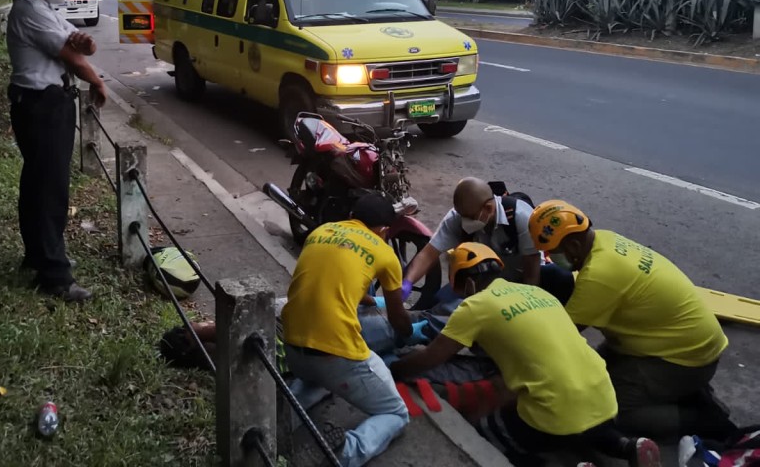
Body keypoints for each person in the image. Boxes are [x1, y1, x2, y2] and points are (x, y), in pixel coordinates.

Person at [389, 243, 662, 467]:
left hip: (556, 410)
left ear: (469, 284)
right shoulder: (536, 292)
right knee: (581, 420)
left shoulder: (475, 306)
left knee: (488, 430)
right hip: (604, 396)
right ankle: (627, 446)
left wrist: (396, 369)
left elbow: (432, 358)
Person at [528, 200, 735, 440]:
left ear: (573, 245)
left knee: (610, 410)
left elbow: (560, 336)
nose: (550, 258)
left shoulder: (600, 275)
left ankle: (705, 420)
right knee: (594, 374)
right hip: (686, 344)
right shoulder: (605, 240)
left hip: (686, 358)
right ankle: (686, 393)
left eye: (553, 252)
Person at [280, 193, 413, 467]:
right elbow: (398, 319)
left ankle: (276, 422)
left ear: (353, 217)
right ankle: (343, 452)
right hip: (336, 358)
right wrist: (411, 333)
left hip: (293, 345)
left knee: (314, 381)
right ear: (385, 230)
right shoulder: (384, 252)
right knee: (396, 413)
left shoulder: (320, 231)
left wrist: (370, 299)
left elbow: (336, 283)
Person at [6, 0, 108, 302]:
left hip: (44, 104)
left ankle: (40, 255)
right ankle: (55, 276)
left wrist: (86, 44)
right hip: (42, 107)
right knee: (50, 189)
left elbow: (81, 45)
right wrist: (97, 82)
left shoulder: (45, 8)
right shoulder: (30, 11)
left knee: (39, 184)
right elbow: (73, 58)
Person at [400, 177, 574, 306]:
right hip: (483, 282)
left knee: (561, 278)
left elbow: (532, 269)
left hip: (523, 278)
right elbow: (428, 254)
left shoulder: (520, 216)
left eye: (470, 217)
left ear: (489, 208)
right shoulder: (458, 217)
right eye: (462, 216)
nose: (465, 222)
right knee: (441, 304)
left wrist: (526, 305)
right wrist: (407, 283)